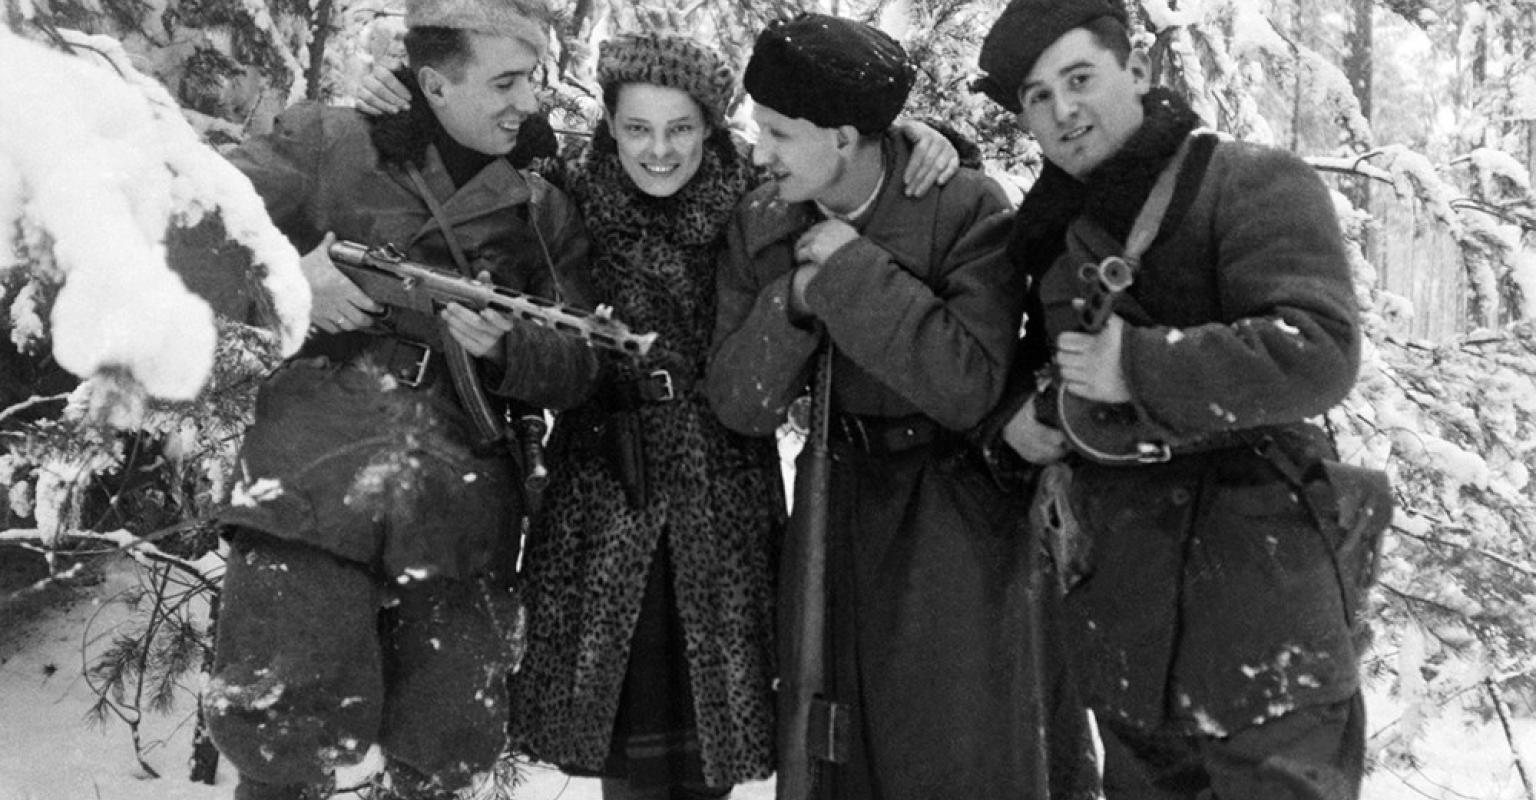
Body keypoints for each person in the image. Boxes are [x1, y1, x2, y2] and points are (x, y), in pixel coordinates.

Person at [352, 28, 965, 800]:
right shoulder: (560, 190)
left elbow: (851, 169)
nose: (660, 150)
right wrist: (403, 93)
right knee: (624, 746)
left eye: (681, 128)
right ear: (609, 123)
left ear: (711, 125)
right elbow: (464, 144)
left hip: (724, 492)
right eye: (637, 127)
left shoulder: (765, 192)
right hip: (602, 489)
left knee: (713, 736)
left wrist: (920, 137)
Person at [201, 1, 598, 798]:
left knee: (444, 747)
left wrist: (511, 349)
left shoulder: (538, 205)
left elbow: (582, 359)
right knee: (281, 731)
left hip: (459, 501)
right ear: (434, 84)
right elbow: (192, 219)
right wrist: (288, 283)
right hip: (313, 478)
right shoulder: (328, 141)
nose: (529, 102)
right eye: (506, 83)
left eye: (534, 79)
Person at [974, 1, 1367, 798]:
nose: (1063, 111)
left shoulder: (1249, 181)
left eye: (1079, 79)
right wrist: (1016, 418)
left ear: (1138, 69)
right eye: (1038, 97)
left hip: (1263, 613)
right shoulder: (1052, 228)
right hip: (1128, 617)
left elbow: (1319, 350)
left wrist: (1139, 366)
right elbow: (1044, 365)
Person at [704, 13, 1096, 800]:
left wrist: (850, 274)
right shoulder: (764, 220)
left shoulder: (963, 206)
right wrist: (796, 299)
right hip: (835, 506)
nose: (759, 150)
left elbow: (968, 382)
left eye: (779, 133)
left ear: (844, 137)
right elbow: (739, 402)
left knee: (958, 753)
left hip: (957, 515)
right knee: (837, 751)